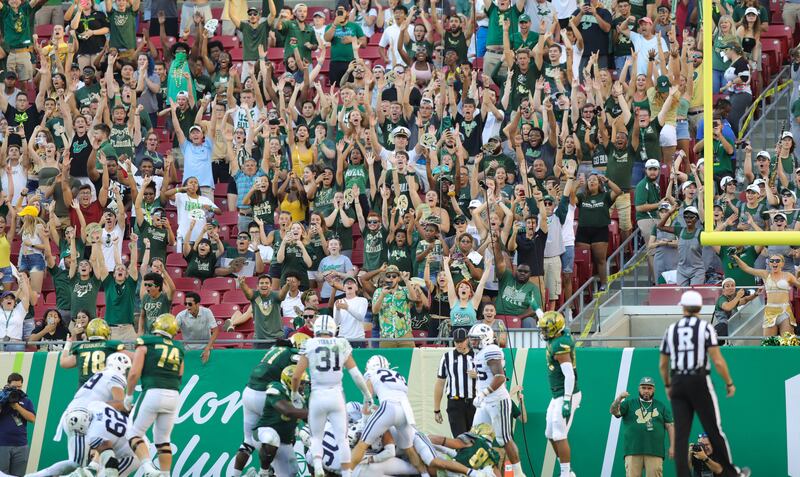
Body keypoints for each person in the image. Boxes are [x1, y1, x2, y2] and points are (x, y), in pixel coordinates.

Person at [659, 290, 751, 477]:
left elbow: (662, 364)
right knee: (713, 429)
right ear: (700, 307)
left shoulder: (671, 329)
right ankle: (731, 473)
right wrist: (729, 383)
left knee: (682, 435)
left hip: (677, 380)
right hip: (698, 380)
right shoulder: (704, 328)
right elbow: (717, 360)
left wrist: (668, 385)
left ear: (683, 308)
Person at [291, 315, 373, 477]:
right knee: (342, 438)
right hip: (336, 395)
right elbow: (356, 375)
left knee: (316, 437)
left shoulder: (309, 343)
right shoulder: (341, 343)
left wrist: (294, 392)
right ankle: (347, 473)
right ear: (333, 328)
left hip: (317, 395)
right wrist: (367, 395)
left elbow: (296, 376)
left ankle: (318, 466)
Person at [26, 353, 131, 477]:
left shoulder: (101, 374)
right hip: (84, 416)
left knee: (77, 463)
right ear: (121, 367)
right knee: (80, 466)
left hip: (74, 414)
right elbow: (120, 404)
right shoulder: (116, 376)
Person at [231, 337, 304, 477]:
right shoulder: (291, 352)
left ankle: (235, 475)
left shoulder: (274, 350)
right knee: (286, 432)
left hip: (248, 392)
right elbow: (298, 370)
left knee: (247, 441)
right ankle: (266, 471)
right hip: (266, 393)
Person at [125, 314, 185, 477]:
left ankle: (148, 468)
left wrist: (129, 395)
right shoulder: (178, 347)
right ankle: (165, 475)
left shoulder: (146, 342)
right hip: (173, 394)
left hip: (153, 391)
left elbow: (134, 373)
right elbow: (180, 373)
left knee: (133, 432)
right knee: (163, 439)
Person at [349, 355, 429, 475]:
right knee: (409, 449)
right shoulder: (398, 375)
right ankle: (425, 474)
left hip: (389, 408)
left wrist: (365, 423)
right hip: (406, 410)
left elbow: (368, 399)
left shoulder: (371, 373)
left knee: (362, 443)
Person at [467, 323, 526, 477]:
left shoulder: (491, 350)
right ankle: (484, 472)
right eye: (471, 339)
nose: (472, 342)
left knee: (503, 439)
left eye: (475, 339)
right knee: (476, 436)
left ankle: (519, 474)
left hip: (497, 400)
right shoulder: (480, 353)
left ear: (485, 339)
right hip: (485, 402)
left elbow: (500, 377)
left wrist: (483, 393)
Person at [538, 311, 580, 477]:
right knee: (549, 433)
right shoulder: (560, 333)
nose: (543, 332)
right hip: (558, 394)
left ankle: (565, 473)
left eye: (545, 330)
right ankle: (566, 469)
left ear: (555, 330)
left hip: (566, 393)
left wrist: (567, 401)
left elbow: (569, 375)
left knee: (559, 433)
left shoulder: (559, 346)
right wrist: (537, 310)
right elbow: (550, 322)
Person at [610, 376, 675, 477]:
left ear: (654, 390)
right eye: (643, 388)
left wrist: (673, 446)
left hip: (655, 451)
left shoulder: (661, 406)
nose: (646, 391)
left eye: (649, 388)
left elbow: (670, 426)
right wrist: (619, 399)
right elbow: (613, 411)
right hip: (633, 450)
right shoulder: (629, 404)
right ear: (639, 389)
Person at [253, 364, 309, 476]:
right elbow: (287, 411)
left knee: (292, 472)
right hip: (263, 435)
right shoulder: (276, 387)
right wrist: (313, 413)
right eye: (301, 383)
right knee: (271, 438)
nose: (303, 386)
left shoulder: (300, 399)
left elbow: (309, 420)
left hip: (284, 442)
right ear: (290, 381)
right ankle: (263, 472)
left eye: (304, 383)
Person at [733, 253, 800, 336]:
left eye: (777, 261)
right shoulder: (765, 274)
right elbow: (747, 269)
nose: (774, 263)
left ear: (782, 263)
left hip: (785, 312)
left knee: (787, 342)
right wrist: (736, 257)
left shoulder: (788, 276)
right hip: (770, 312)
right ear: (769, 263)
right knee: (768, 343)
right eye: (772, 261)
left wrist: (798, 275)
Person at [433, 327, 476, 438]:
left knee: (476, 440)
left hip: (475, 403)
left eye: (461, 341)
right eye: (456, 341)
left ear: (468, 340)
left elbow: (489, 378)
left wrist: (478, 376)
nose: (459, 344)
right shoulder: (447, 357)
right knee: (460, 440)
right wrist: (436, 410)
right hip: (455, 403)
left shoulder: (477, 355)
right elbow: (440, 383)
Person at [59, 318, 125, 385]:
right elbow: (131, 358)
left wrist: (68, 343)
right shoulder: (110, 346)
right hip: (103, 389)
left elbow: (63, 362)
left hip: (84, 390)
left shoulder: (81, 348)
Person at [0, 373, 35, 477]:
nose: (17, 389)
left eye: (20, 386)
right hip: (2, 444)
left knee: (19, 475)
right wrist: (2, 402)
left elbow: (32, 419)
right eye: (14, 387)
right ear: (8, 384)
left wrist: (16, 406)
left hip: (21, 445)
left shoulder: (25, 400)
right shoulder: (1, 397)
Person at [175, 291, 219, 362]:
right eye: (185, 303)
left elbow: (216, 331)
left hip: (205, 349)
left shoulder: (207, 312)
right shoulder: (181, 315)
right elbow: (173, 331)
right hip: (188, 351)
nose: (187, 306)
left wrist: (207, 348)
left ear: (198, 304)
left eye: (190, 304)